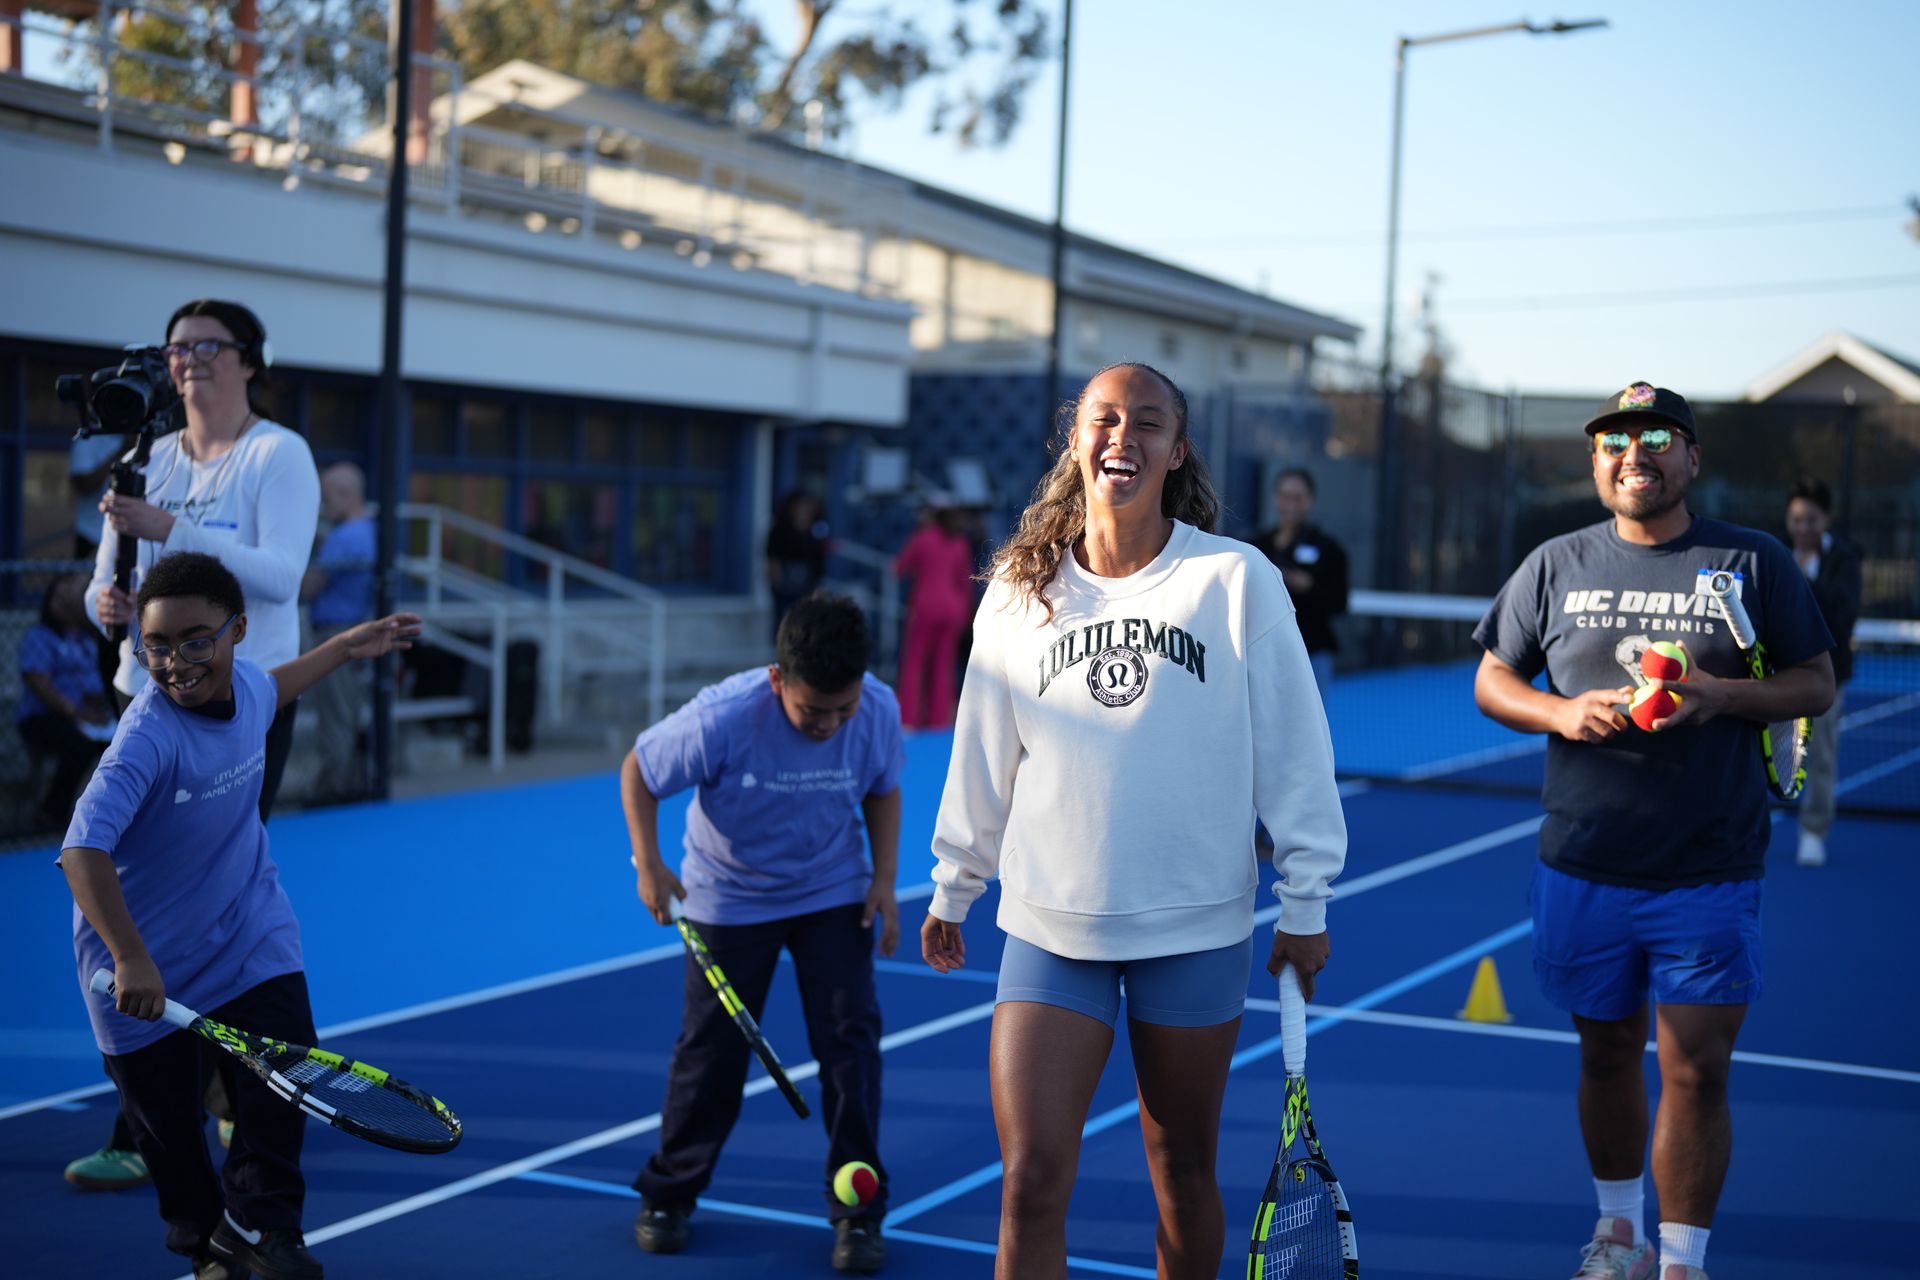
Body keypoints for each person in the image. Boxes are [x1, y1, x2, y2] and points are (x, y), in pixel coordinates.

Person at [920, 362, 1347, 1280]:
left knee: (1181, 1170)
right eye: (1104, 419)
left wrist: (1305, 905)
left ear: (1177, 449)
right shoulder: (1016, 593)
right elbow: (981, 752)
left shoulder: (1236, 581)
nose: (1124, 437)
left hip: (1193, 929)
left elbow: (1297, 756)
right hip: (1048, 926)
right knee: (1030, 1180)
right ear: (1075, 441)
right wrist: (955, 883)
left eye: (1147, 422)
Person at [1471, 382, 1834, 1280]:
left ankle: (1682, 1263)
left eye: (1657, 438)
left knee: (1696, 1069)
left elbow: (1816, 683)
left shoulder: (1751, 563)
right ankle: (1617, 1234)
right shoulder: (1555, 564)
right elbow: (1491, 681)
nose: (1635, 454)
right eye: (1615, 441)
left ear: (1691, 458)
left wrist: (1721, 696)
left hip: (1708, 869)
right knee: (1603, 1054)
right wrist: (1557, 715)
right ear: (1597, 461)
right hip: (1583, 863)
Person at [61, 550, 417, 1280]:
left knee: (283, 1080)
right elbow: (80, 852)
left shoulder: (247, 689)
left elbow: (276, 686)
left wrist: (347, 647)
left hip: (246, 930)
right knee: (169, 1139)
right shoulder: (146, 739)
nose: (175, 662)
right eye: (155, 646)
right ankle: (205, 1247)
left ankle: (270, 1224)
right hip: (137, 961)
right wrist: (130, 957)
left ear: (237, 632)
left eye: (196, 641)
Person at [73, 298, 320, 1190]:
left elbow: (280, 577)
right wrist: (106, 598)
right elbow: (113, 577)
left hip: (239, 705)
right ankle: (167, 1108)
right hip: (148, 707)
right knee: (141, 902)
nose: (188, 363)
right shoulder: (150, 456)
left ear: (249, 361)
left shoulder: (276, 454)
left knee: (212, 902)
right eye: (177, 350)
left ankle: (187, 1106)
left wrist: (170, 530)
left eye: (207, 348)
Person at [624, 592, 904, 1273]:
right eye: (813, 711)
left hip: (832, 889)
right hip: (729, 898)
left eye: (844, 710)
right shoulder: (721, 717)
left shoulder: (878, 709)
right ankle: (669, 1193)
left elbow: (883, 787)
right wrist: (650, 864)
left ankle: (858, 1209)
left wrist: (884, 880)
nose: (830, 725)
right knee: (711, 1053)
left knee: (851, 1041)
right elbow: (640, 770)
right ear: (778, 680)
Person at [1782, 475, 1861, 867]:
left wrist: (1807, 576)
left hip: (1826, 678)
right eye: (1796, 519)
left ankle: (1813, 832)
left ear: (1825, 520)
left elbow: (1842, 615)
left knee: (1822, 756)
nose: (1802, 527)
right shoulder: (1773, 553)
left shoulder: (1844, 560)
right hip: (1777, 676)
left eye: (1810, 519)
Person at [301, 461, 377, 802]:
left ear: (347, 495)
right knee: (343, 714)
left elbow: (308, 588)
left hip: (336, 635)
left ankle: (332, 792)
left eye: (327, 496)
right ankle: (341, 785)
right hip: (351, 630)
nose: (323, 504)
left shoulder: (344, 536)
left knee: (335, 717)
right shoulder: (365, 531)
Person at [16, 572, 113, 832]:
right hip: (43, 717)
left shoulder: (85, 640)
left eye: (66, 597)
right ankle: (52, 815)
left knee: (116, 747)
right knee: (78, 746)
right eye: (56, 597)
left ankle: (103, 815)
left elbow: (93, 683)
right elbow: (39, 684)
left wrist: (96, 705)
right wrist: (75, 713)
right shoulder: (40, 637)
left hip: (86, 717)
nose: (61, 603)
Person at [1251, 466, 1349, 700]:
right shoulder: (1255, 546)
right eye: (1285, 496)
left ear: (1310, 500)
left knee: (1309, 730)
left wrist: (1309, 587)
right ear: (1275, 498)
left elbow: (1340, 602)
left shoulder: (1329, 549)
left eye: (1298, 497)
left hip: (1312, 654)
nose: (1291, 504)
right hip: (1264, 653)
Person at [890, 497, 976, 729]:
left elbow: (898, 568)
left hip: (925, 607)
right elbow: (965, 582)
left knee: (915, 663)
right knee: (943, 665)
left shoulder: (922, 538)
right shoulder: (959, 542)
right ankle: (938, 720)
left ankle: (908, 718)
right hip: (954, 610)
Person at [766, 490, 829, 641]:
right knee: (783, 620)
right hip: (785, 582)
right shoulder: (780, 529)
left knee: (804, 621)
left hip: (806, 583)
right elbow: (772, 555)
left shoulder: (814, 531)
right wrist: (775, 578)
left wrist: (817, 583)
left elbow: (817, 559)